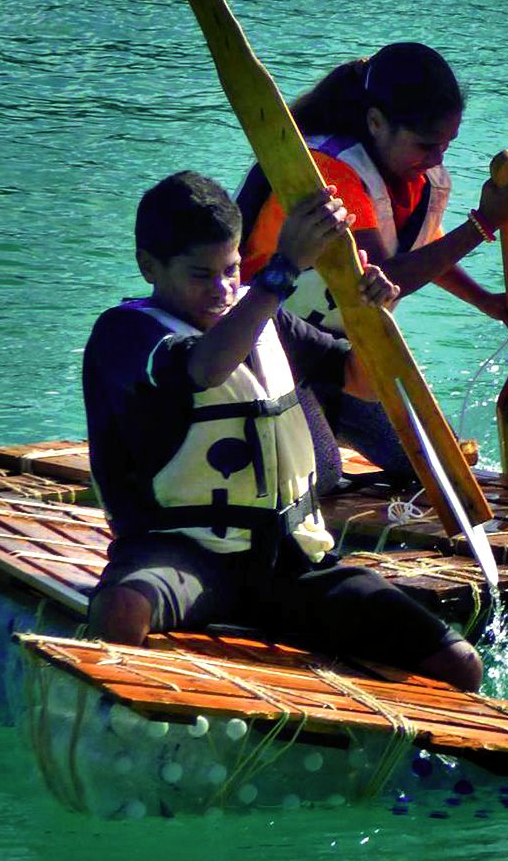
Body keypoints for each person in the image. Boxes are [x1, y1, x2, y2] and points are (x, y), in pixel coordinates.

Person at [83, 171, 482, 690]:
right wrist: (284, 269)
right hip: (187, 554)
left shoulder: (268, 320)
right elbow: (205, 369)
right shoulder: (126, 335)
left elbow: (360, 381)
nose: (223, 289)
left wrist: (371, 316)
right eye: (200, 275)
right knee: (121, 607)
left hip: (292, 563)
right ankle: (120, 718)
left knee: (458, 662)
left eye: (230, 269)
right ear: (149, 267)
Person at [237, 40, 508, 474]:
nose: (436, 159)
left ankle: (317, 422)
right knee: (319, 474)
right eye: (425, 145)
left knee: (436, 467)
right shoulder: (329, 169)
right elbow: (386, 274)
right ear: (376, 123)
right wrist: (482, 224)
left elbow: (420, 252)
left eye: (446, 146)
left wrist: (490, 303)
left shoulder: (417, 178)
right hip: (263, 349)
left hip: (336, 360)